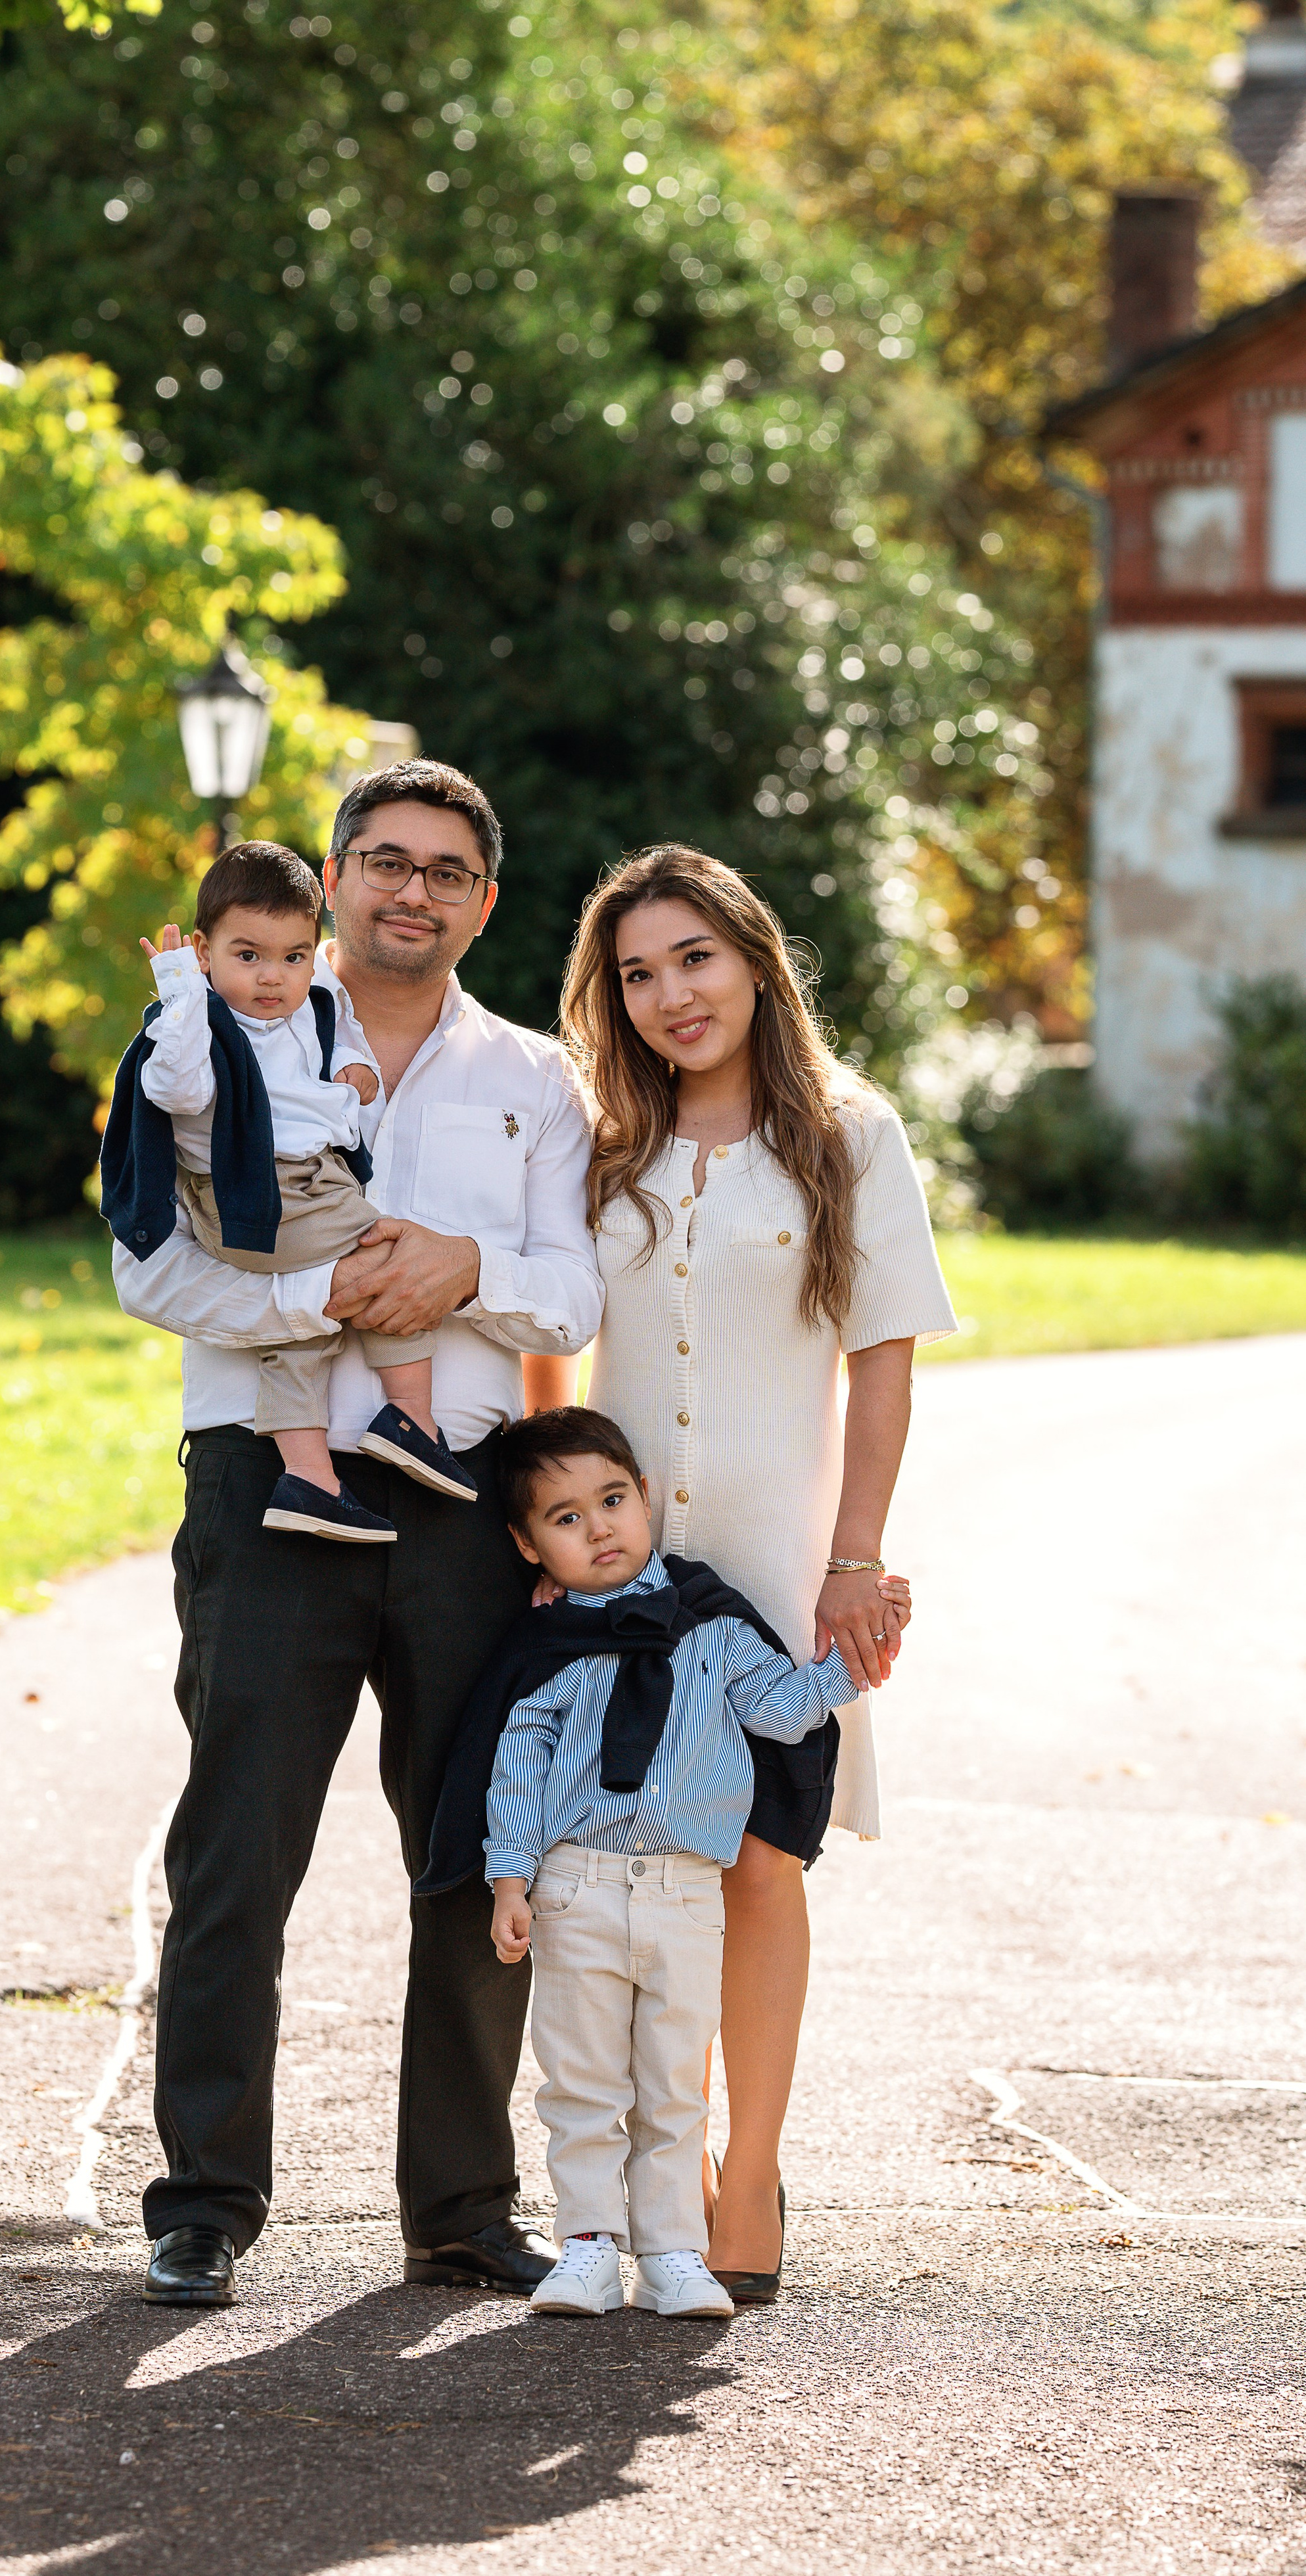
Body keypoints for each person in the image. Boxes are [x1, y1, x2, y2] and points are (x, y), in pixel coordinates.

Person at [108, 759, 603, 2308]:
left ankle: (458, 2207)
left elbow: (573, 1290)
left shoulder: (534, 1076)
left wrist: (459, 1272)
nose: (410, 889)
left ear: (483, 904)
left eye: (444, 870)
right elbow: (144, 1270)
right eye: (381, 860)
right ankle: (202, 2201)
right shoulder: (205, 1036)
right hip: (265, 1490)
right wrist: (311, 1300)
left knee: (470, 1854)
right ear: (328, 880)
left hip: (464, 1503)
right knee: (236, 1845)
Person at [560, 844, 957, 2300]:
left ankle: (747, 2173)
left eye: (693, 959)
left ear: (752, 957)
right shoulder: (602, 1142)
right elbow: (552, 1335)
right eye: (636, 974)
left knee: (754, 1861)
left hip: (775, 1568)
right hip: (616, 1573)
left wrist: (853, 1558)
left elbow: (882, 1362)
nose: (669, 995)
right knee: (620, 1872)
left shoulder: (848, 1138)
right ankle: (646, 2176)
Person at [476, 1408, 864, 2318]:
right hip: (575, 1889)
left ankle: (676, 2254)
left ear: (645, 1498)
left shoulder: (716, 1629)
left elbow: (784, 1709)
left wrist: (858, 1660)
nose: (600, 1526)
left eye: (612, 1500)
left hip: (688, 1894)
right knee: (580, 2082)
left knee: (672, 2081)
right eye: (566, 1518)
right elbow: (518, 1768)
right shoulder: (549, 1650)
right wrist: (509, 1878)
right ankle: (585, 2248)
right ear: (527, 1545)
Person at [132, 838, 481, 1542]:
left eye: (292, 956)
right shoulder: (202, 1023)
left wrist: (354, 1074)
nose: (271, 977)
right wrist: (179, 1001)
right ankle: (411, 1420)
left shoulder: (311, 1003)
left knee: (303, 1337)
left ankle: (308, 1479)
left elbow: (334, 1040)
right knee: (391, 1261)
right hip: (259, 1188)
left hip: (301, 1183)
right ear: (203, 951)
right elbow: (173, 1089)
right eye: (248, 956)